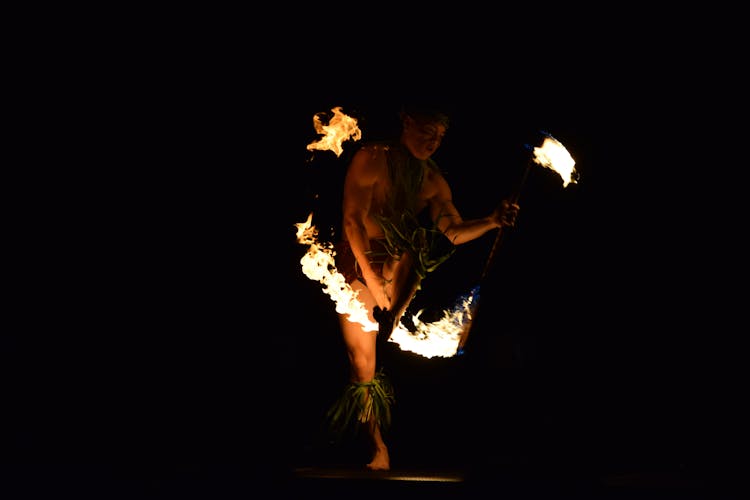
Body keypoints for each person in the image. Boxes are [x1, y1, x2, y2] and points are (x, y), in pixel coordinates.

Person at [327, 105, 520, 471]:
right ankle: (375, 445)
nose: (432, 143)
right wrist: (371, 282)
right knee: (362, 364)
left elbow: (453, 231)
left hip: (397, 270)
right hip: (358, 260)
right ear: (406, 121)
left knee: (416, 246)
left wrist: (492, 221)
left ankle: (393, 314)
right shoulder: (371, 158)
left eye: (440, 137)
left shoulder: (433, 181)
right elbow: (351, 222)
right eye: (426, 131)